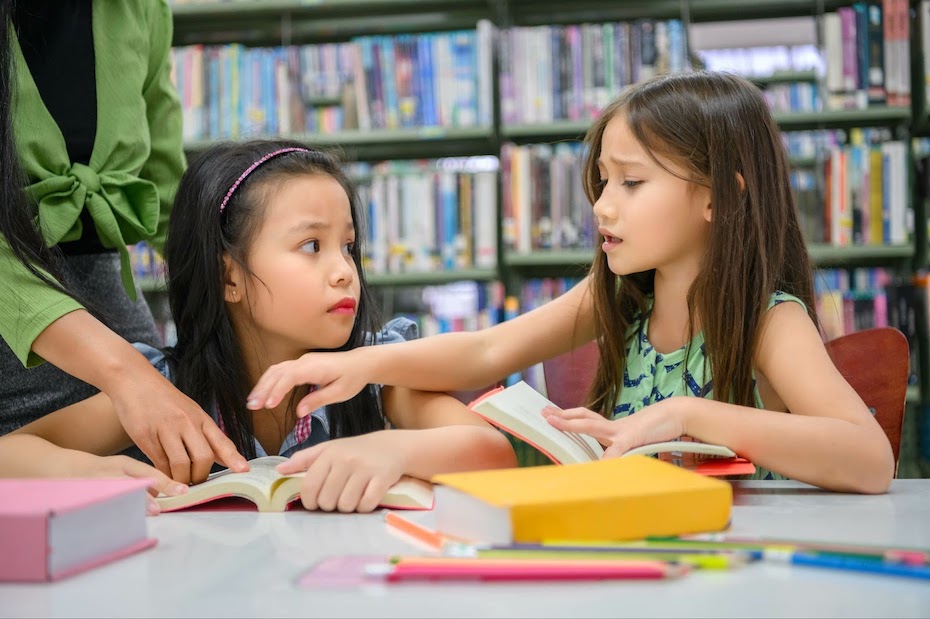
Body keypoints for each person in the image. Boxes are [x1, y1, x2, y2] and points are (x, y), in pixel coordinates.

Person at [246, 71, 895, 494]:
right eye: (603, 180)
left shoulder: (767, 320)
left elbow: (871, 459)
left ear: (719, 199)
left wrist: (689, 414)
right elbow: (485, 352)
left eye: (632, 182)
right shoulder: (620, 296)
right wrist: (360, 363)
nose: (603, 205)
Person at [0, 140, 516, 512]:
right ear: (230, 277)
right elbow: (10, 453)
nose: (344, 271)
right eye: (311, 246)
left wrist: (393, 449)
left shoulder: (374, 373)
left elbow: (492, 452)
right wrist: (86, 472)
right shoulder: (162, 389)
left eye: (349, 247)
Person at [0, 0, 247, 484]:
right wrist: (128, 375)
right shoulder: (139, 369)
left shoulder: (141, 9)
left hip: (104, 306)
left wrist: (244, 277)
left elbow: (165, 188)